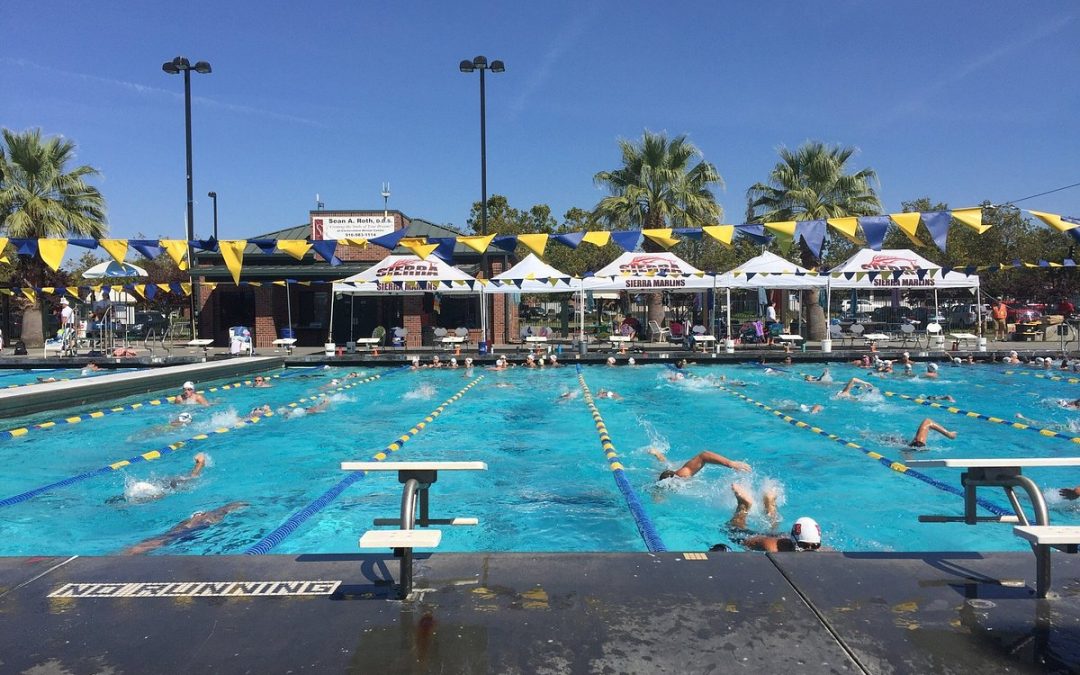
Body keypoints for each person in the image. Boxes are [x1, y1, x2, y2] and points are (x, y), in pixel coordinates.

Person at [721, 484, 822, 552]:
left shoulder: (823, 550)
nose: (809, 550)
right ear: (793, 541)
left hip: (782, 538)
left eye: (814, 546)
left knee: (773, 531)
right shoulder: (770, 547)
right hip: (757, 538)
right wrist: (744, 541)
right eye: (803, 546)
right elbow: (744, 543)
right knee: (733, 531)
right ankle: (744, 505)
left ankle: (770, 504)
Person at [121, 501, 247, 555]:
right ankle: (132, 551)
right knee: (162, 540)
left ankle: (130, 552)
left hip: (187, 529)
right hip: (190, 529)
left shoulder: (208, 516)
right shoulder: (214, 516)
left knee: (162, 540)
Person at [651, 448, 750, 480]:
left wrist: (730, 463)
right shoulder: (660, 488)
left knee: (667, 466)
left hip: (677, 473)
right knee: (665, 467)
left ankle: (658, 454)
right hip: (664, 478)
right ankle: (658, 455)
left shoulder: (681, 475)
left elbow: (704, 455)